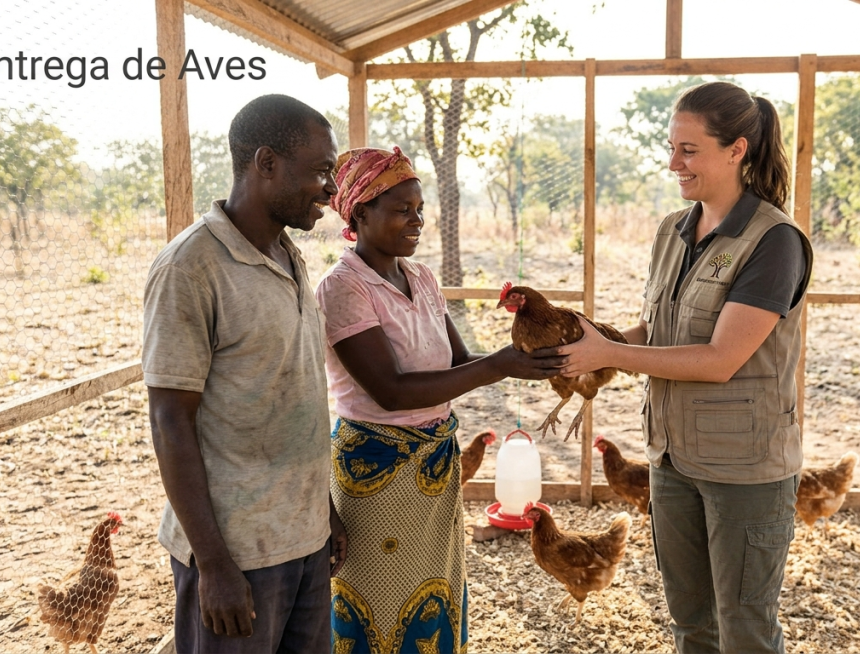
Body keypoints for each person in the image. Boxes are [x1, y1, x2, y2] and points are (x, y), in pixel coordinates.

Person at [555, 82, 813, 654]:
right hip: (671, 457)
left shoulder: (773, 241)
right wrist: (602, 341)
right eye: (671, 147)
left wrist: (612, 356)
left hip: (745, 468)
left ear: (737, 150)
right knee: (691, 622)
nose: (673, 162)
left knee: (744, 627)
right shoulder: (673, 229)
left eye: (689, 150)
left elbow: (721, 359)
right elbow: (659, 327)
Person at [316, 146, 564, 654]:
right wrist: (498, 365)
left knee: (435, 593)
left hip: (433, 466)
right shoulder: (343, 288)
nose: (417, 220)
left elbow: (457, 361)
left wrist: (525, 359)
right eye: (402, 209)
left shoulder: (421, 277)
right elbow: (389, 394)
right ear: (360, 212)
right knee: (382, 599)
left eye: (420, 208)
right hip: (376, 471)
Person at [142, 94, 348, 654]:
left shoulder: (287, 253)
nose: (332, 191)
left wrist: (320, 510)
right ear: (266, 163)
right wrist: (213, 564)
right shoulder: (191, 266)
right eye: (322, 171)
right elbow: (169, 421)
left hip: (302, 541)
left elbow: (291, 393)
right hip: (236, 557)